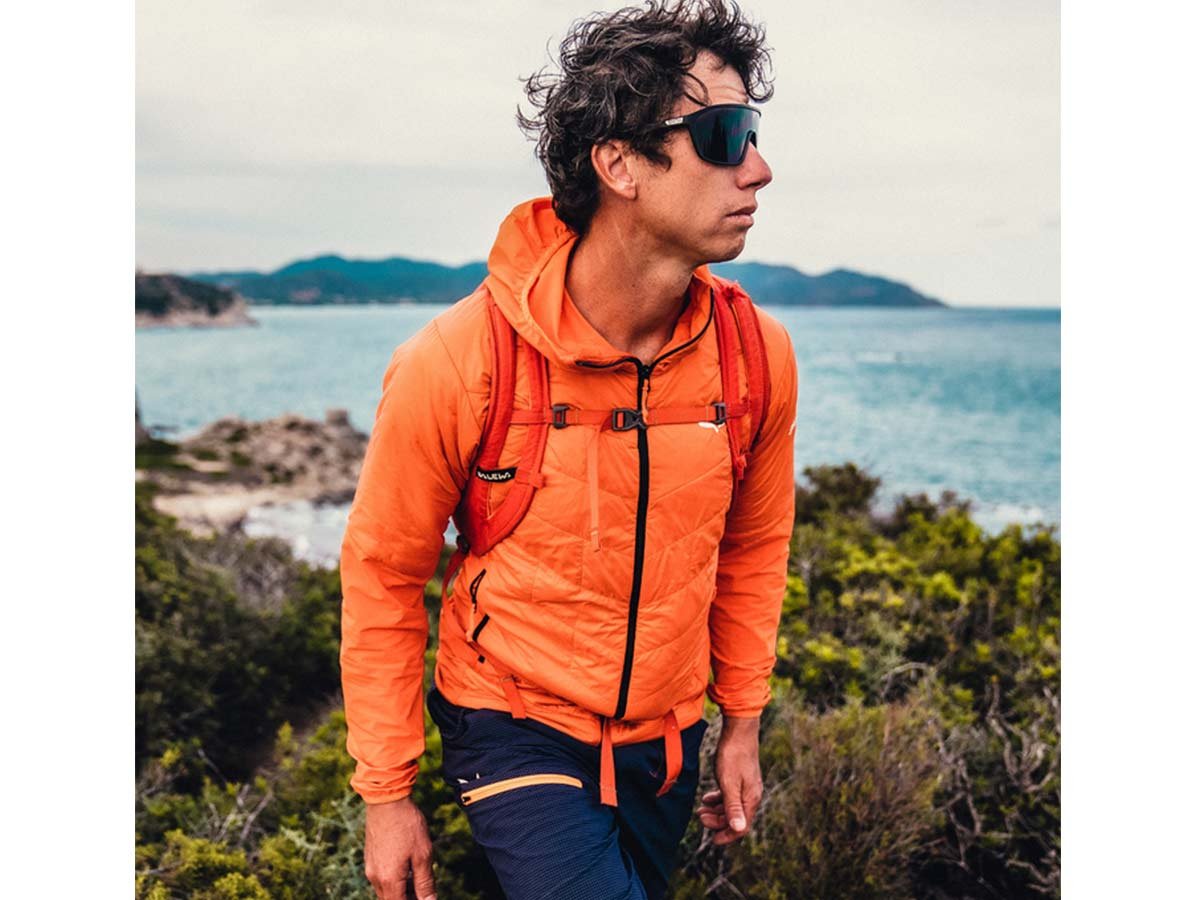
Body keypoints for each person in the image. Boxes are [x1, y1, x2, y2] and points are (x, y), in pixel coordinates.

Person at [339, 2, 798, 897]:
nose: (758, 167)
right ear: (618, 163)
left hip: (667, 742)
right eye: (724, 135)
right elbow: (385, 574)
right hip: (512, 724)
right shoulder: (459, 360)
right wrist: (386, 794)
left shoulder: (755, 356)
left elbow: (752, 547)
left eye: (752, 133)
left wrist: (740, 720)